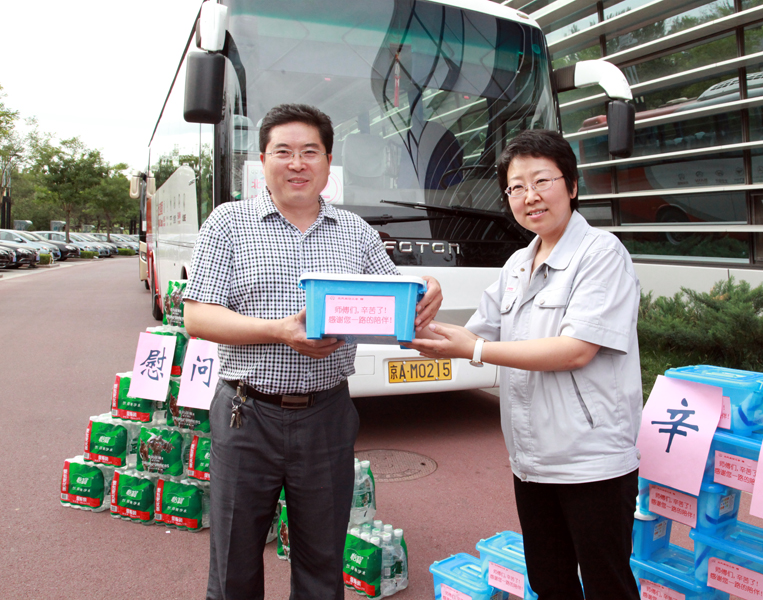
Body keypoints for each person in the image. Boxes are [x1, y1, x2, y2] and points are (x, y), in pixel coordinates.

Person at [182, 103, 442, 600]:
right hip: (247, 414)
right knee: (234, 562)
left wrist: (426, 287)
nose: (296, 163)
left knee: (322, 563)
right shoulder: (228, 223)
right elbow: (198, 317)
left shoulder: (356, 232)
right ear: (263, 161)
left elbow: (395, 304)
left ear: (327, 162)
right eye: (283, 152)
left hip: (327, 415)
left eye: (310, 152)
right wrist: (279, 331)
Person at [408, 129, 642, 600]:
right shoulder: (517, 262)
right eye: (516, 187)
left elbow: (575, 349)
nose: (529, 196)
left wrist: (474, 350)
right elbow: (476, 332)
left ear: (571, 186)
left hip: (591, 460)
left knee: (607, 585)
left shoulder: (601, 253)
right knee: (549, 581)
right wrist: (412, 313)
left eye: (541, 181)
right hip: (532, 460)